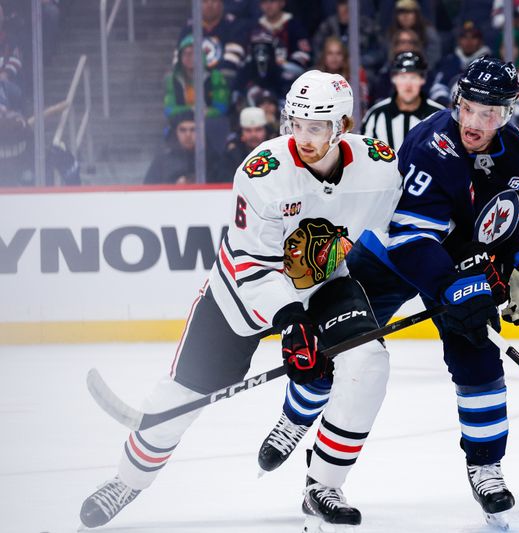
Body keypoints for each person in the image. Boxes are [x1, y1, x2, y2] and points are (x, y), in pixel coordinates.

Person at [80, 71, 403, 530]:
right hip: (242, 292)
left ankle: (324, 483)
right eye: (295, 123)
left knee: (369, 362)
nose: (303, 137)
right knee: (183, 395)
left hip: (325, 282)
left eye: (316, 126)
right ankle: (127, 480)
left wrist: (459, 271)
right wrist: (294, 325)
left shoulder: (379, 166)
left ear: (344, 125)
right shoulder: (263, 171)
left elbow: (409, 231)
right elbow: (251, 265)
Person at [258, 57, 519, 528]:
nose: (475, 123)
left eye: (489, 114)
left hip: (455, 263)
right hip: (392, 255)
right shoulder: (430, 145)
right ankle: (296, 417)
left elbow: (508, 218)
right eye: (469, 109)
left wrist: (518, 263)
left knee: (477, 354)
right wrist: (457, 285)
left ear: (508, 113)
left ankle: (485, 466)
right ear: (458, 101)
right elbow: (411, 237)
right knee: (337, 347)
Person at [361, 51, 444, 149]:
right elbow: (363, 152)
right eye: (403, 77)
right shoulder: (376, 114)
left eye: (413, 77)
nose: (408, 84)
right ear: (393, 79)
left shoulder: (439, 116)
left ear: (423, 79)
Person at [176, 0, 246, 84]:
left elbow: (232, 60)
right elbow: (178, 57)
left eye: (214, 1)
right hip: (194, 80)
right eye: (205, 2)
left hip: (223, 80)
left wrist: (209, 76)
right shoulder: (189, 28)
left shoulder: (233, 26)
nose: (209, 5)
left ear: (221, 4)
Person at [164, 35, 230, 120]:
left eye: (192, 53)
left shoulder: (215, 77)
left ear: (201, 55)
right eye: (185, 53)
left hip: (209, 121)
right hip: (182, 122)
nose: (188, 57)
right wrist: (191, 111)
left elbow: (222, 108)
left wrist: (205, 113)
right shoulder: (172, 80)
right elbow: (169, 110)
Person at [428, 21, 492, 106]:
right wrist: (448, 103)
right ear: (459, 40)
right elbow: (438, 87)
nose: (468, 42)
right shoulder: (449, 61)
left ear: (481, 41)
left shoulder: (490, 63)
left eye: (473, 37)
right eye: (464, 37)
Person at [212, 106, 269, 182]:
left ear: (265, 130)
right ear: (241, 131)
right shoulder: (232, 155)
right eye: (248, 130)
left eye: (258, 129)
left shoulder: (276, 151)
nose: (253, 135)